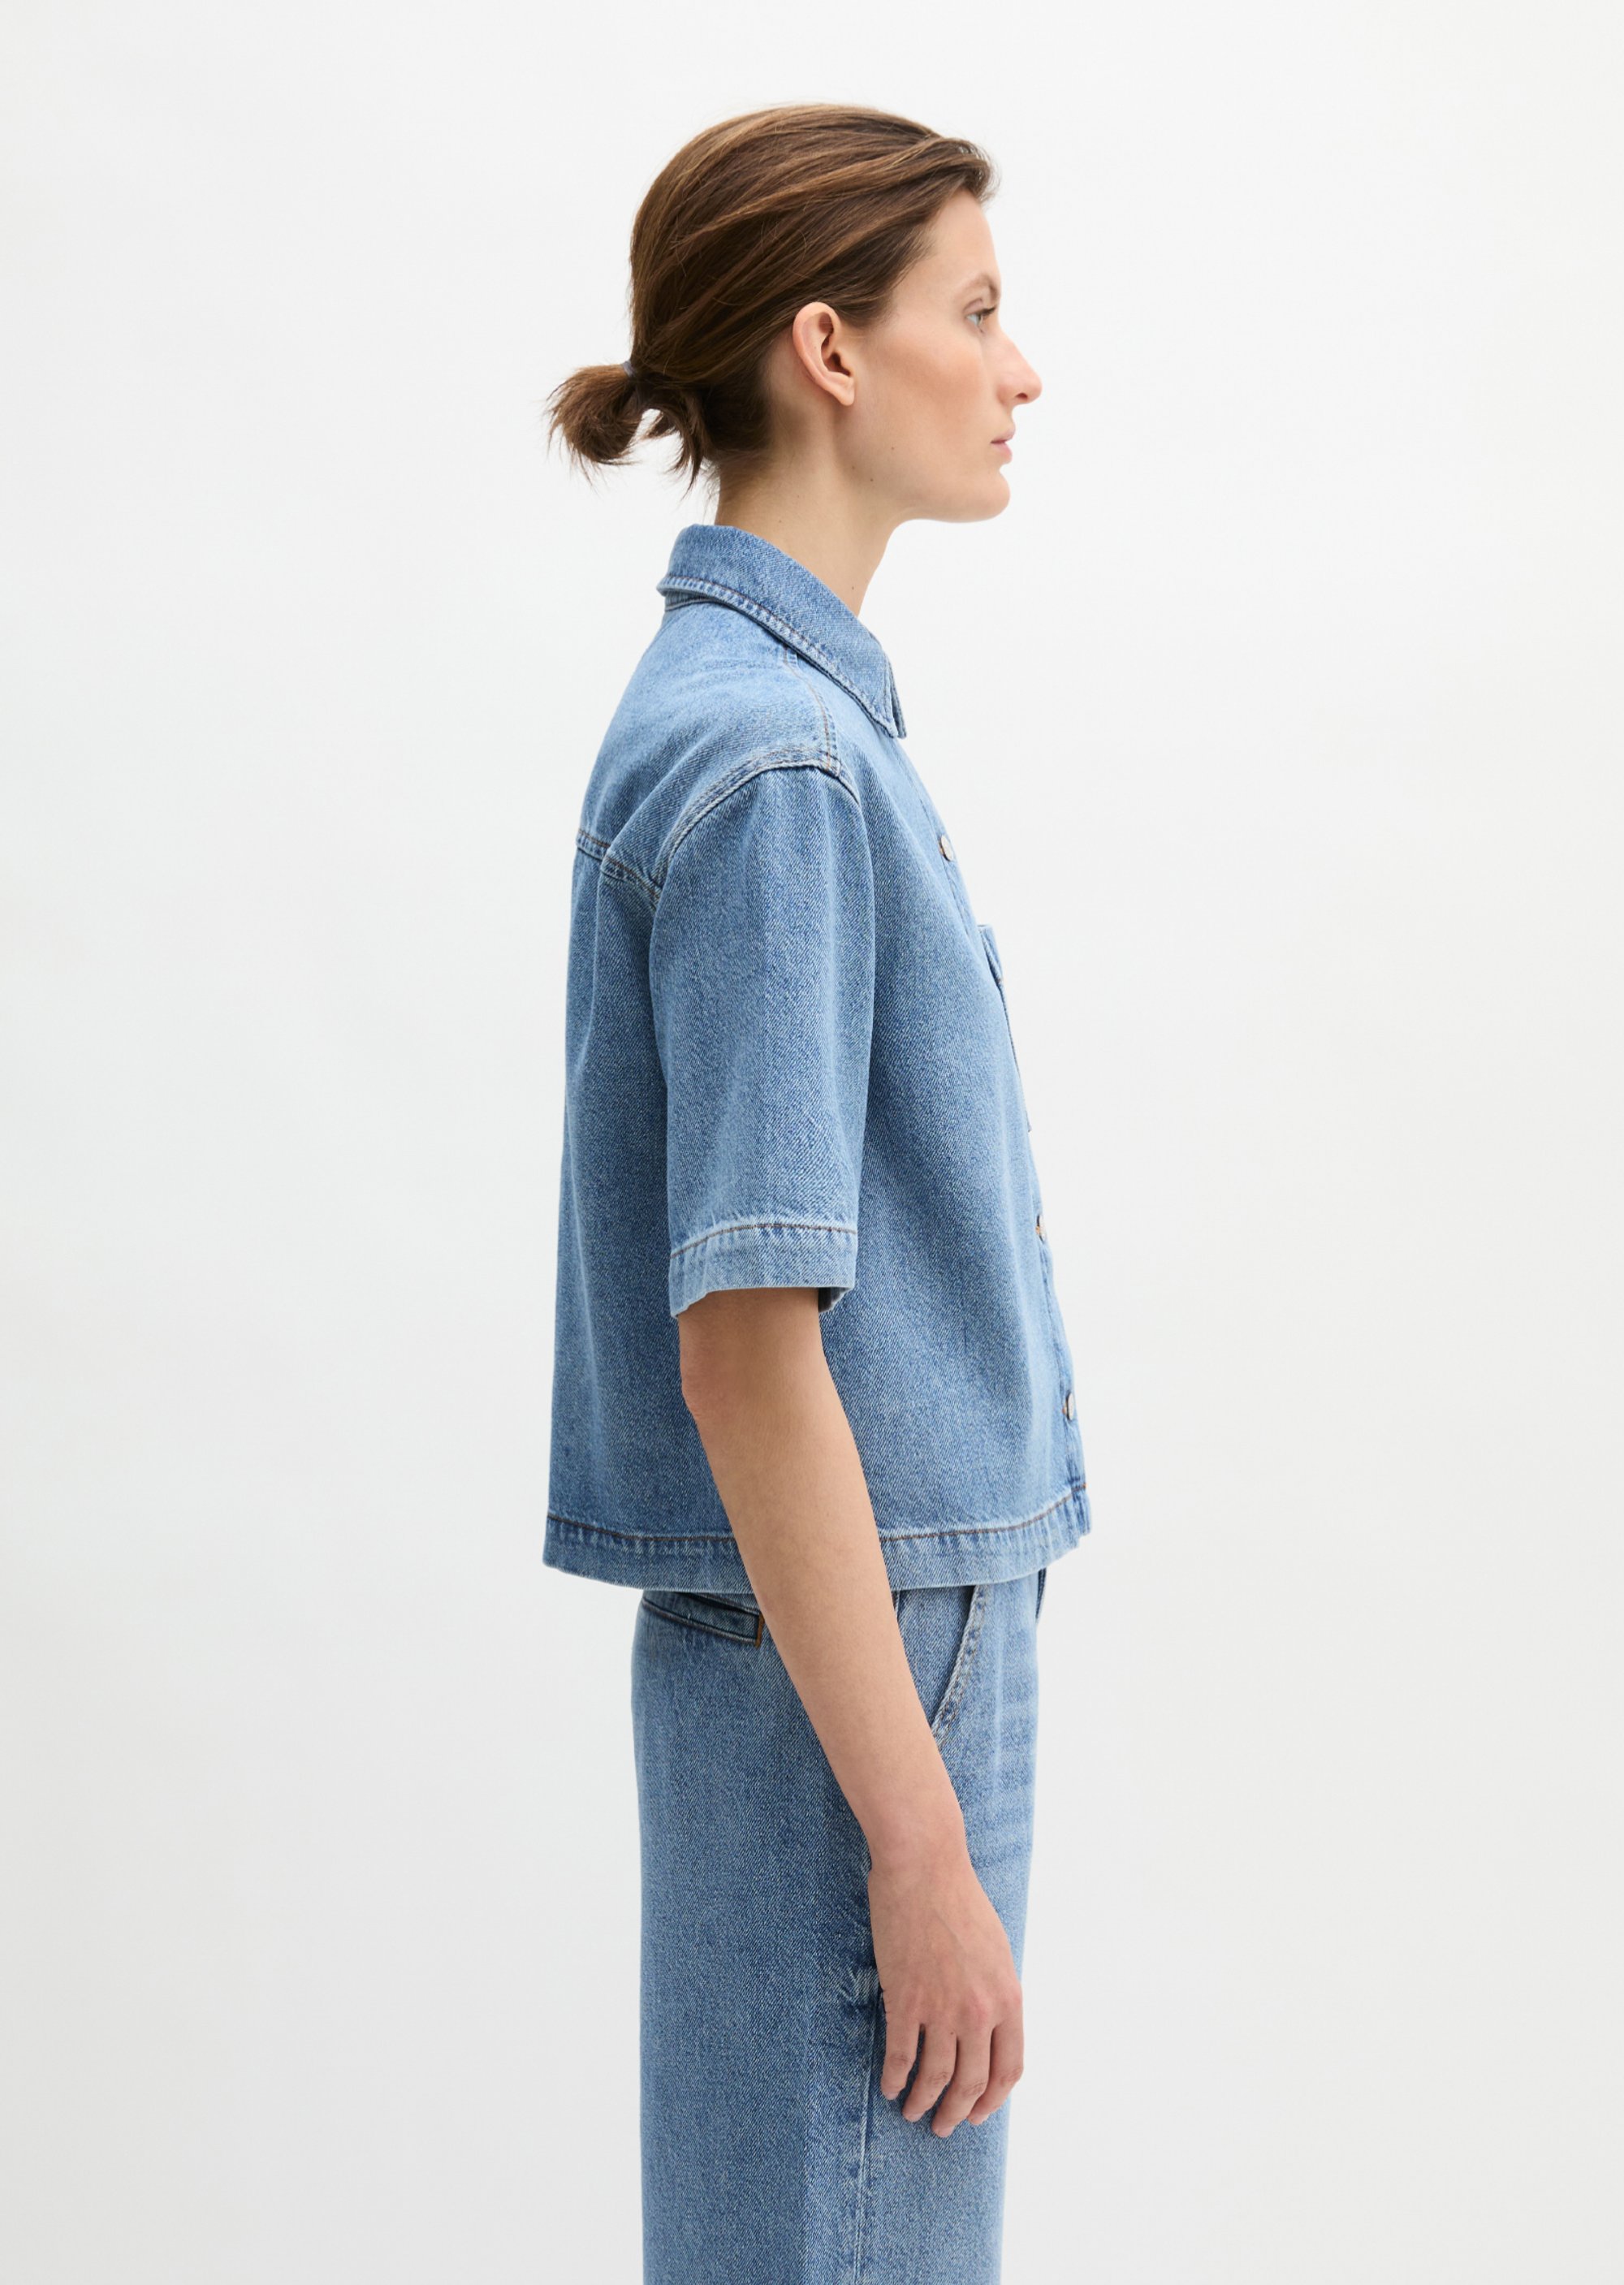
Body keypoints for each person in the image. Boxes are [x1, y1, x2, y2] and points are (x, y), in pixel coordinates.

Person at [541, 102, 1092, 2285]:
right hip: (862, 1660)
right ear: (831, 349)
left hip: (835, 1635)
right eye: (978, 308)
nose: (1021, 368)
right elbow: (751, 1347)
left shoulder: (761, 719)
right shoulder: (775, 760)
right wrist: (919, 1843)